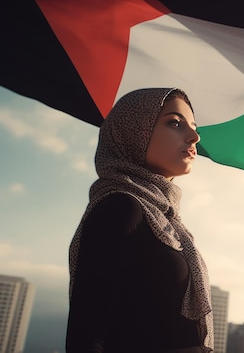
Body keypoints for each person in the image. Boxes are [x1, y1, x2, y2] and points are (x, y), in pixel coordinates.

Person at [66, 88, 213, 352]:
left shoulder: (169, 222)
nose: (194, 136)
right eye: (175, 123)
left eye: (193, 126)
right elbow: (86, 333)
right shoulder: (121, 207)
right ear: (134, 131)